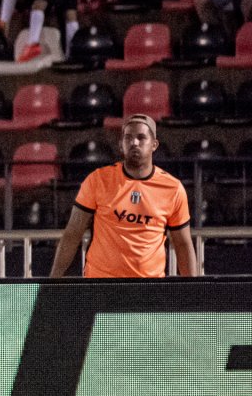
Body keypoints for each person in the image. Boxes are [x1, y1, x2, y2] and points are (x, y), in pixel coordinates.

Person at [50, 114, 198, 279]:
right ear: (121, 145)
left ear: (154, 145)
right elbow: (73, 233)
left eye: (141, 138)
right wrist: (53, 281)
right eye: (128, 138)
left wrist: (193, 292)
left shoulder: (173, 188)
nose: (134, 143)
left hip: (149, 287)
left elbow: (183, 244)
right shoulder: (98, 180)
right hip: (101, 285)